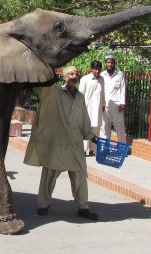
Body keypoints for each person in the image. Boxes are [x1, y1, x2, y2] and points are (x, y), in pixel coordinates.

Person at [24, 66, 99, 220]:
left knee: (79, 177)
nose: (74, 76)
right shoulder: (54, 92)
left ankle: (83, 207)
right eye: (71, 74)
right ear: (64, 77)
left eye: (76, 74)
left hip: (74, 144)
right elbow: (43, 85)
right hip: (57, 144)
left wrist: (90, 135)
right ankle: (43, 205)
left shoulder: (80, 97)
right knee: (49, 175)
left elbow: (84, 119)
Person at [79, 60, 105, 156]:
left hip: (98, 110)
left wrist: (103, 105)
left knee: (96, 130)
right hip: (87, 108)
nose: (97, 71)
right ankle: (84, 150)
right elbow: (81, 94)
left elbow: (103, 94)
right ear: (91, 69)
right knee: (86, 129)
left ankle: (93, 150)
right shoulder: (85, 79)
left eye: (99, 69)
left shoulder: (102, 79)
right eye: (95, 69)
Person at [100, 54, 126, 142]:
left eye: (112, 62)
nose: (110, 64)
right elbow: (100, 90)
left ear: (114, 63)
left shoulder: (120, 74)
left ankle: (122, 148)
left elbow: (123, 89)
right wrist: (101, 104)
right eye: (108, 62)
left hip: (117, 105)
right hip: (105, 105)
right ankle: (104, 148)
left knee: (120, 127)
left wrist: (122, 103)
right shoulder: (102, 75)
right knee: (104, 128)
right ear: (105, 63)